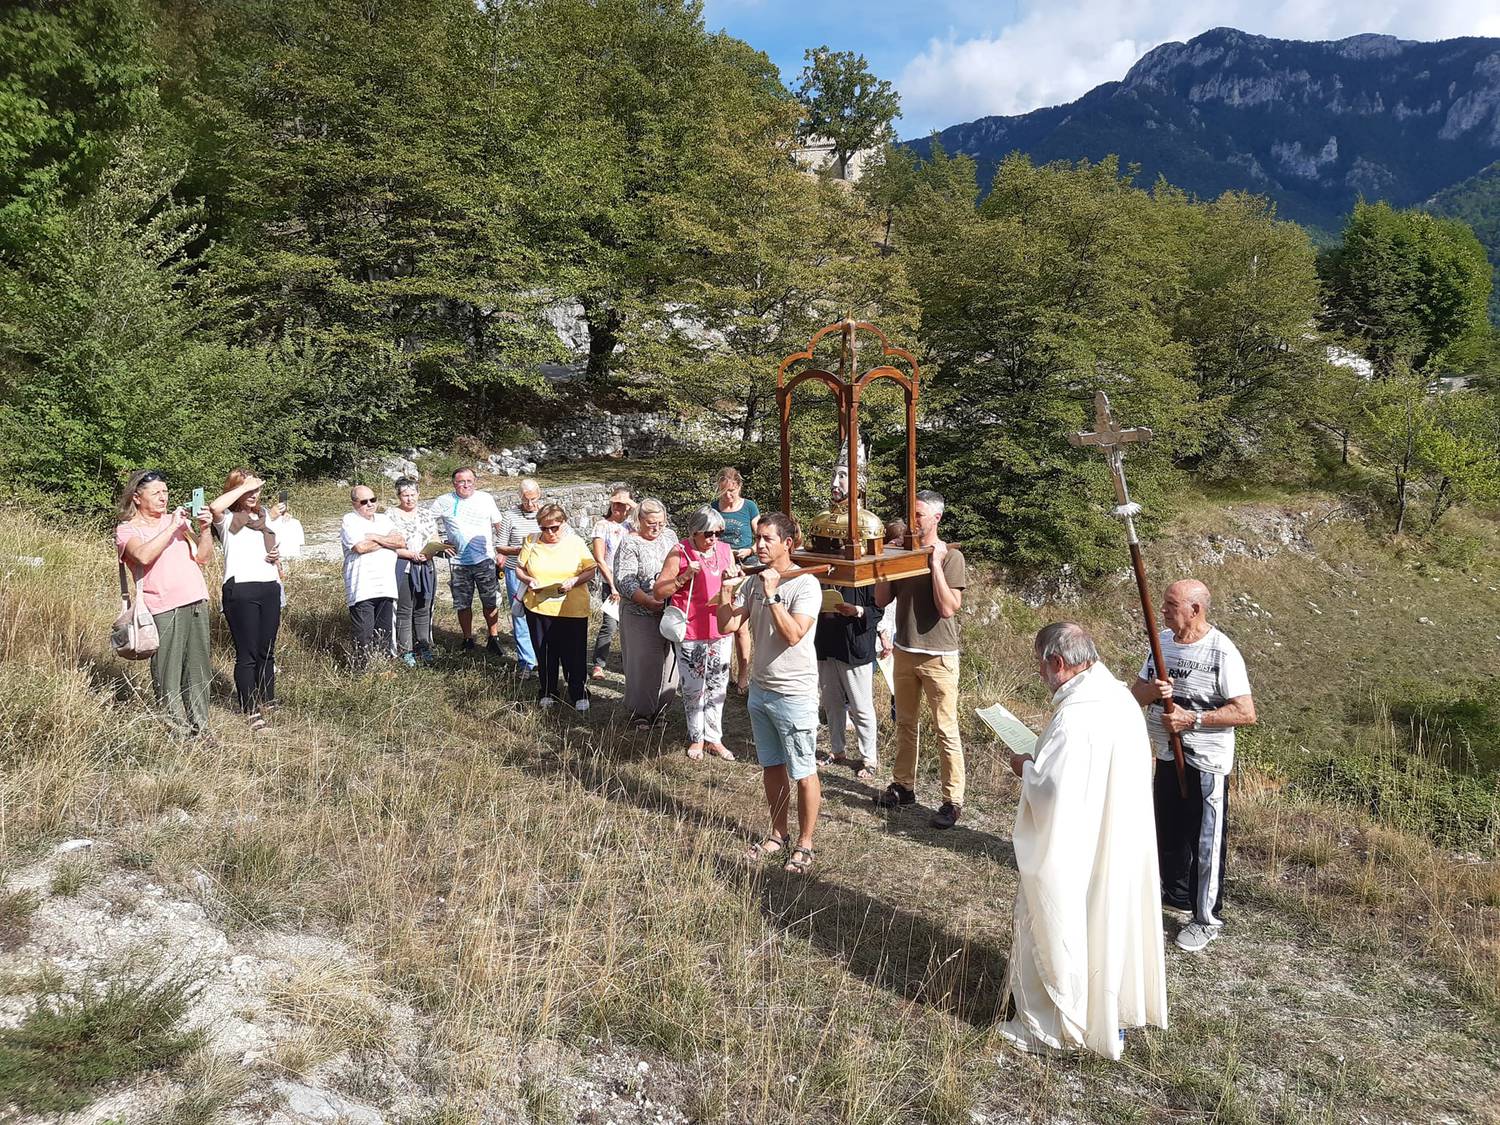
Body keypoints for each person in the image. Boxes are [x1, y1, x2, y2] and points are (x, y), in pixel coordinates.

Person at [1000, 623, 1168, 1059]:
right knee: (1103, 924)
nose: (1041, 676)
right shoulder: (1117, 697)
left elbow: (1051, 789)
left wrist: (1024, 767)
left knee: (1063, 917)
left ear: (1057, 663)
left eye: (1041, 667)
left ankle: (1051, 1027)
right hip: (1111, 835)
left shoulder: (1077, 716)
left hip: (1076, 843)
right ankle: (1101, 1011)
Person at [1130, 579, 1256, 953]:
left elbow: (1245, 712)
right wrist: (1151, 691)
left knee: (1205, 841)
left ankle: (1206, 919)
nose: (1163, 610)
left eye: (1171, 605)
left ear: (1195, 610)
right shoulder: (1162, 644)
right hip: (1167, 756)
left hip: (1205, 763)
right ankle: (1176, 895)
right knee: (1167, 832)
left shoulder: (1222, 652)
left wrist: (1193, 720)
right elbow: (1134, 694)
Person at [716, 513, 823, 874]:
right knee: (772, 767)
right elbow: (727, 624)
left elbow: (794, 635)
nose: (759, 545)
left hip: (794, 693)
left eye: (767, 540)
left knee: (803, 770)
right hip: (760, 690)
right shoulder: (755, 580)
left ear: (787, 544)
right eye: (758, 538)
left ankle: (805, 844)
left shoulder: (805, 585)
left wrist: (772, 593)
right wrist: (726, 590)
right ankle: (778, 835)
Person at [873, 490, 969, 828]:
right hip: (905, 652)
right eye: (910, 514)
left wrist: (933, 565)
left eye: (919, 515)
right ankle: (903, 786)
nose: (913, 520)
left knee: (945, 728)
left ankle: (952, 800)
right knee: (905, 724)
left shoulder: (950, 558)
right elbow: (882, 599)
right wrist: (884, 565)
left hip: (939, 657)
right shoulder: (903, 554)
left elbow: (947, 608)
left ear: (936, 518)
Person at [116, 470, 216, 736]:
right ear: (137, 498)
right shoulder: (127, 530)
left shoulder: (180, 524)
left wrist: (205, 529)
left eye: (166, 492)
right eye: (156, 493)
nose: (164, 497)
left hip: (195, 599)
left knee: (198, 669)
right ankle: (176, 730)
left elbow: (204, 557)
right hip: (162, 607)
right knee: (167, 672)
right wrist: (171, 527)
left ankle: (202, 728)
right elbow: (143, 556)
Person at [654, 506, 738, 761]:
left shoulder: (724, 550)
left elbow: (732, 585)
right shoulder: (680, 551)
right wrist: (685, 576)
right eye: (708, 534)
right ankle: (696, 737)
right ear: (694, 532)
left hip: (719, 627)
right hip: (691, 629)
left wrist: (734, 578)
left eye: (718, 533)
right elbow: (659, 592)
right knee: (693, 687)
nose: (714, 538)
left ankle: (714, 737)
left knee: (718, 683)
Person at [207, 470, 281, 730]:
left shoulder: (263, 518)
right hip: (241, 589)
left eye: (257, 490)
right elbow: (214, 506)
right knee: (247, 653)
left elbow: (266, 549)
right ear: (235, 491)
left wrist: (274, 556)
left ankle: (268, 700)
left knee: (266, 650)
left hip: (269, 586)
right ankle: (249, 709)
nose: (253, 495)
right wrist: (244, 487)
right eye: (247, 490)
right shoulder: (227, 519)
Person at [517, 502, 598, 710]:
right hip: (539, 606)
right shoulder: (531, 541)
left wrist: (575, 581)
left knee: (574, 651)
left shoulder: (576, 542)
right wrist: (528, 580)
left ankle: (578, 692)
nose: (550, 532)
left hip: (572, 607)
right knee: (544, 650)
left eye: (554, 527)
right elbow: (519, 568)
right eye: (544, 528)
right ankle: (547, 690)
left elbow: (591, 569)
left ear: (564, 523)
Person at [613, 498, 681, 728]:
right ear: (640, 520)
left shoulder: (670, 537)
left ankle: (661, 709)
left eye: (660, 523)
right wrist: (647, 600)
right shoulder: (630, 543)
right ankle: (641, 711)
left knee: (670, 659)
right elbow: (625, 580)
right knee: (644, 661)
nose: (657, 528)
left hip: (669, 609)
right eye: (652, 523)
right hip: (640, 610)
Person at [430, 468, 506, 656]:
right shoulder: (443, 501)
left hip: (485, 559)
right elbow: (425, 521)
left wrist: (502, 552)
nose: (465, 485)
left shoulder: (485, 498)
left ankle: (493, 637)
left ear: (475, 481)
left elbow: (499, 525)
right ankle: (467, 638)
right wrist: (439, 543)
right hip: (458, 562)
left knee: (489, 600)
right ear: (453, 484)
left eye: (469, 481)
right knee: (463, 603)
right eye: (461, 482)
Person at [815, 581, 880, 780]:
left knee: (861, 706)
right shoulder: (821, 572)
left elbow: (878, 610)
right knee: (831, 702)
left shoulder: (864, 574)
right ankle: (837, 750)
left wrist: (857, 611)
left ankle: (869, 759)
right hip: (826, 644)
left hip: (854, 647)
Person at [340, 486, 404, 668]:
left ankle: (382, 669)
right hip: (362, 588)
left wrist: (375, 537)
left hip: (386, 586)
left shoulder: (384, 519)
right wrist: (387, 542)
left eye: (373, 500)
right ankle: (362, 673)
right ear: (354, 503)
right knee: (364, 634)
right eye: (363, 502)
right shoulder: (350, 520)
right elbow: (360, 547)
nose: (369, 504)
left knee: (384, 634)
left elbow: (400, 542)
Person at [712, 467, 759, 693]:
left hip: (745, 567)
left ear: (739, 487)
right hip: (721, 568)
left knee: (740, 625)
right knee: (721, 621)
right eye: (723, 492)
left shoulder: (749, 507)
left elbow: (762, 536)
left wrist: (749, 550)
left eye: (731, 491)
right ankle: (723, 671)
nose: (728, 496)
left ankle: (743, 674)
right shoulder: (714, 508)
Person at [389, 477, 441, 667]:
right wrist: (410, 554)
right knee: (405, 609)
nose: (409, 499)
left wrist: (431, 551)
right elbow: (390, 545)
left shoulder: (427, 514)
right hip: (404, 565)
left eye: (412, 495)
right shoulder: (391, 515)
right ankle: (406, 650)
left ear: (418, 494)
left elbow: (435, 538)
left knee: (423, 607)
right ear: (398, 496)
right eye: (405, 495)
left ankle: (424, 645)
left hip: (426, 564)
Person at [496, 478, 544, 671]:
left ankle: (544, 657)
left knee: (543, 614)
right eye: (525, 500)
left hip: (542, 572)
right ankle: (527, 661)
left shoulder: (546, 513)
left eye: (533, 499)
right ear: (519, 497)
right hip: (515, 571)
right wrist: (519, 550)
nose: (530, 504)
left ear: (539, 495)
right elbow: (499, 546)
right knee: (520, 614)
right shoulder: (510, 516)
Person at [589, 483, 635, 677]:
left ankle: (630, 663)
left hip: (631, 582)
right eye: (616, 503)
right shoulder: (602, 526)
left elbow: (648, 519)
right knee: (610, 624)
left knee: (630, 625)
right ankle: (599, 663)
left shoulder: (632, 525)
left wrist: (632, 505)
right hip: (612, 583)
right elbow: (599, 558)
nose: (619, 507)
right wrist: (613, 585)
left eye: (623, 504)